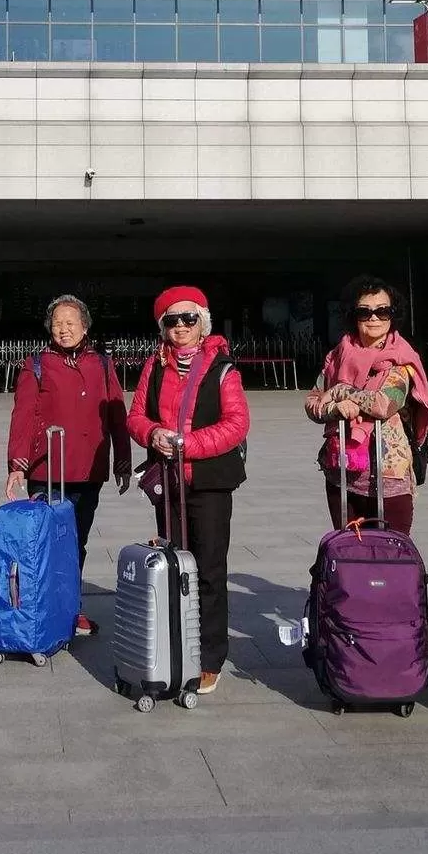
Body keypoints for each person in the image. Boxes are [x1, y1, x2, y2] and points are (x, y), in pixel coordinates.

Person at [126, 285, 249, 695]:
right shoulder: (154, 365)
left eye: (188, 318)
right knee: (175, 564)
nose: (180, 327)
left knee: (209, 569)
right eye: (171, 320)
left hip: (210, 480)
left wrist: (187, 444)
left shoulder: (222, 367)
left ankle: (210, 656)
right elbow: (136, 417)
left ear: (203, 322)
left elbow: (236, 424)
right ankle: (176, 644)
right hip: (170, 480)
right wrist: (154, 433)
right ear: (162, 326)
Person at [4, 294, 132, 637]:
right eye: (57, 323)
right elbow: (24, 415)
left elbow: (117, 413)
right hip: (47, 470)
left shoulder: (102, 364)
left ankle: (72, 610)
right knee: (44, 544)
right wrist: (18, 463)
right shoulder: (37, 364)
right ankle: (40, 609)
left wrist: (122, 458)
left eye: (70, 323)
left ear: (85, 326)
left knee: (77, 542)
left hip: (88, 469)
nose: (63, 329)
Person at [306, 274, 428, 535]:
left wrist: (342, 390)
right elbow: (313, 401)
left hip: (389, 478)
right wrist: (333, 408)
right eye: (365, 312)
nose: (374, 318)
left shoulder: (401, 359)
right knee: (349, 557)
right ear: (353, 316)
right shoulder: (337, 356)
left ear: (392, 315)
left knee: (392, 556)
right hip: (341, 471)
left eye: (382, 311)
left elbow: (385, 403)